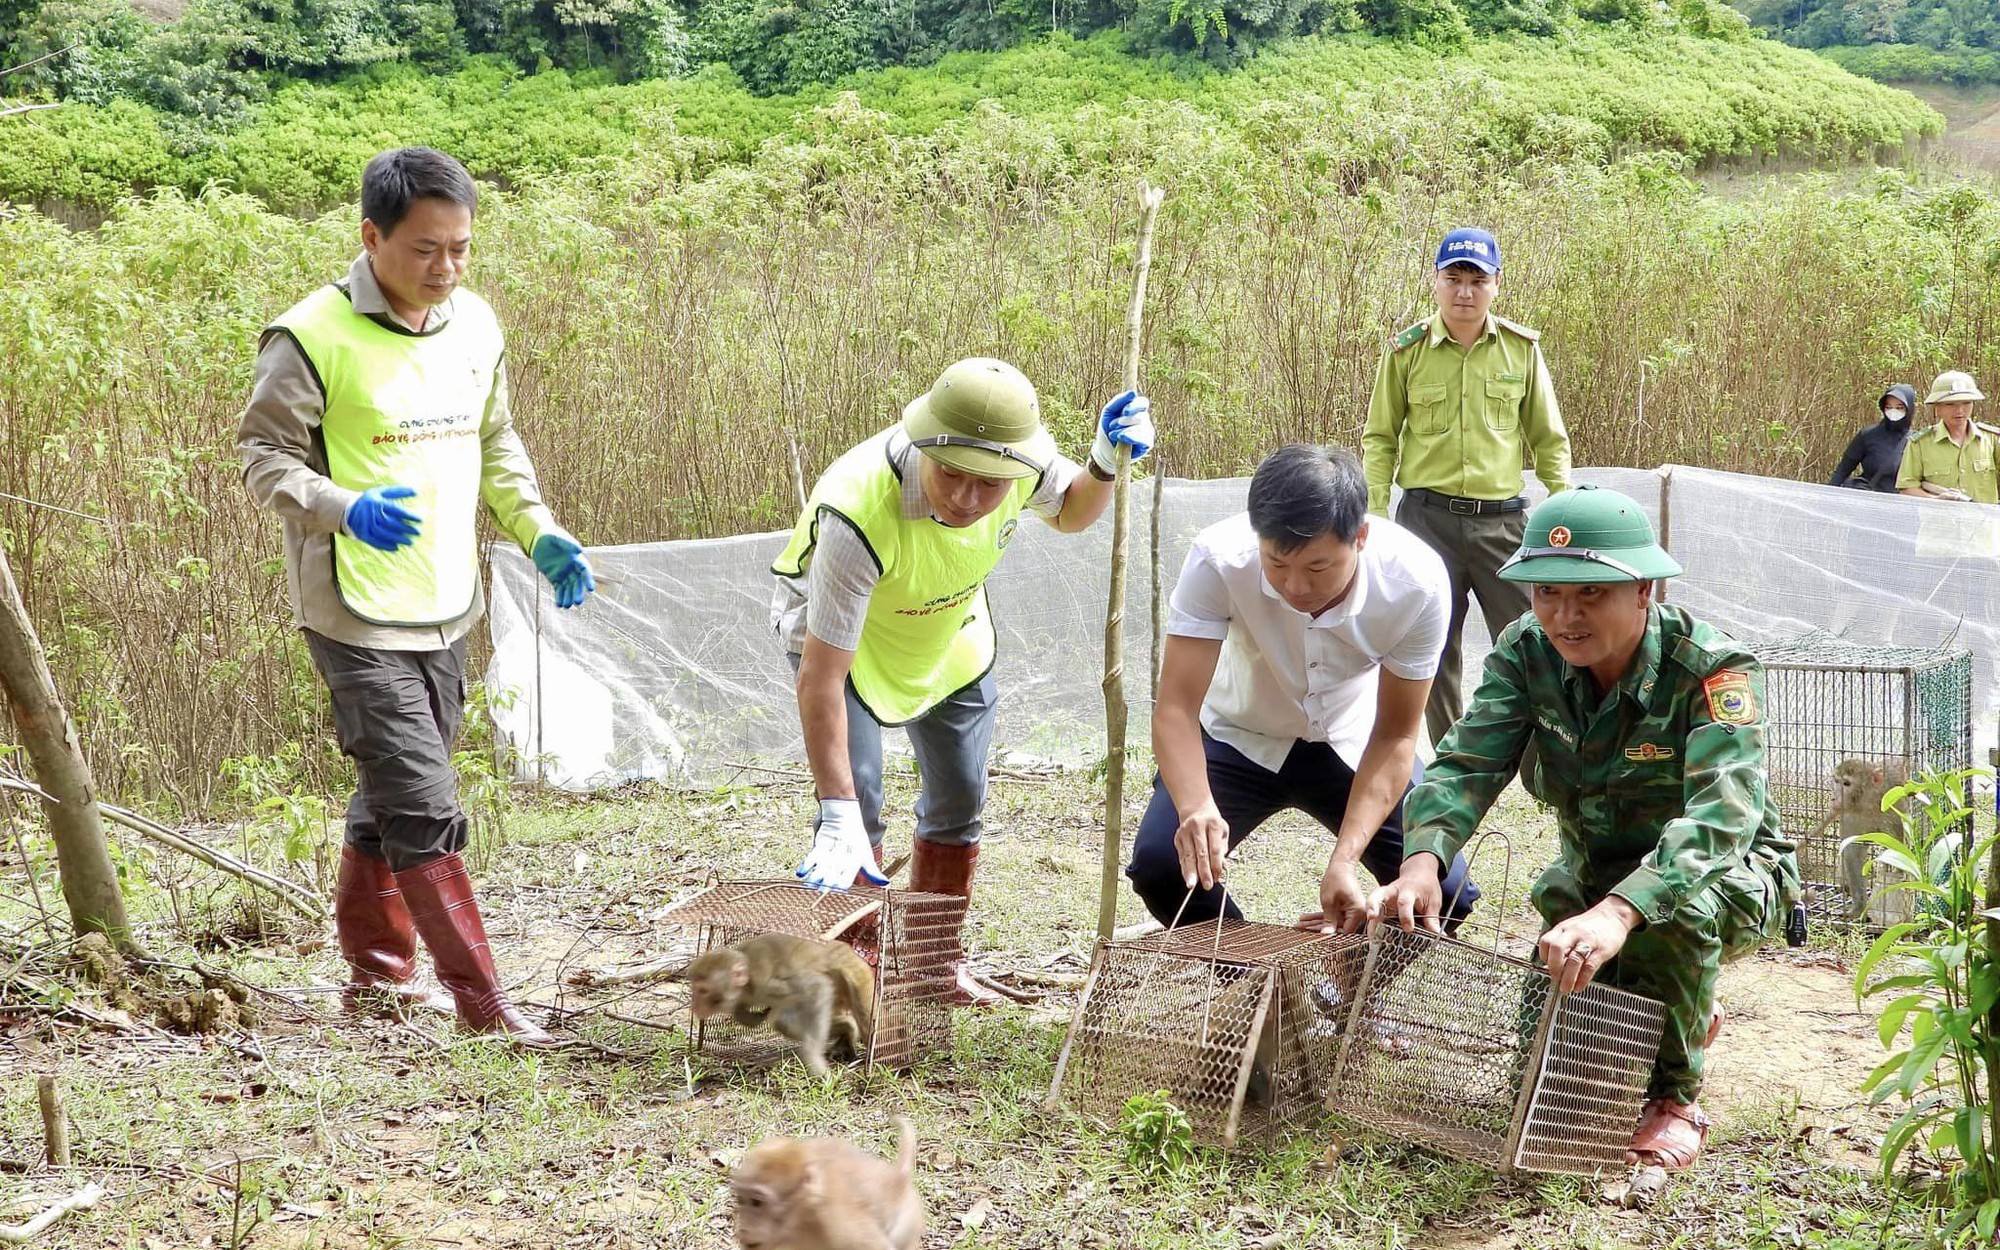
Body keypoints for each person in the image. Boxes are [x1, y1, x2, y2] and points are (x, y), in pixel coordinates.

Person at [238, 147, 597, 1046]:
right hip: (356, 610)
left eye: (461, 249)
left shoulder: (474, 326)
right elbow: (263, 459)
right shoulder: (309, 336)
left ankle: (380, 982)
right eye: (425, 250)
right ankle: (484, 1007)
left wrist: (539, 529)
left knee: (390, 795)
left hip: (446, 599)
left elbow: (497, 441)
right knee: (427, 801)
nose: (445, 269)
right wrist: (343, 506)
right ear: (372, 237)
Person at [1369, 486, 1799, 1171]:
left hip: (1728, 875)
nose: (1564, 616)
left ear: (1644, 590)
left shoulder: (1712, 669)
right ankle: (1665, 1010)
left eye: (1590, 595)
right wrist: (1423, 859)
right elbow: (1466, 762)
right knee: (1553, 1071)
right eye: (1545, 593)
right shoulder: (1527, 651)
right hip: (1593, 872)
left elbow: (1722, 819)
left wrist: (1622, 912)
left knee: (1673, 918)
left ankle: (1673, 1098)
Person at [771, 357, 1153, 1004]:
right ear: (925, 445)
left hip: (948, 633)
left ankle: (930, 968)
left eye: (991, 485)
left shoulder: (1019, 463)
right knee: (857, 802)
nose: (968, 499)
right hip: (849, 650)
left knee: (962, 794)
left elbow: (1072, 513)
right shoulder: (857, 510)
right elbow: (821, 677)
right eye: (952, 474)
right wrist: (836, 810)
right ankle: (856, 983)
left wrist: (1104, 460)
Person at [1125, 445, 1479, 932]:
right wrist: (1196, 807)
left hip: (1351, 742)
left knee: (1443, 889)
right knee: (1163, 866)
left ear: (1360, 537)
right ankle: (1258, 984)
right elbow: (1175, 710)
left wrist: (1344, 860)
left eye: (1317, 568)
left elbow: (1396, 735)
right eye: (1276, 564)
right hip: (1238, 736)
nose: (1295, 587)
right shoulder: (1218, 558)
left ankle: (1348, 989)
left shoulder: (1415, 583)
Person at [1361, 227, 1572, 748]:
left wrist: (1563, 507)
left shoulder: (1521, 351)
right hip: (1425, 522)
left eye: (1477, 281)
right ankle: (1454, 761)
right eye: (1453, 279)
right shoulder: (1406, 351)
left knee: (1534, 642)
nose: (1464, 292)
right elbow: (1380, 437)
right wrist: (1374, 514)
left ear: (1497, 284)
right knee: (1429, 647)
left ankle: (1540, 756)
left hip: (1501, 522)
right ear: (1435, 281)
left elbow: (1549, 439)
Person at [1897, 371, 1998, 504]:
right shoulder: (1920, 444)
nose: (1959, 410)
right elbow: (1906, 488)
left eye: (1966, 403)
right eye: (1950, 404)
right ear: (1937, 407)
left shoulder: (1991, 439)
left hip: (1982, 523)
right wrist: (1937, 500)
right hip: (1939, 522)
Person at [1828, 384, 1915, 491]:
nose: (1893, 411)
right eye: (1888, 407)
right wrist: (1826, 496)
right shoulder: (1868, 435)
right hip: (1867, 501)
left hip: (1900, 504)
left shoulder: (1917, 441)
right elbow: (1842, 470)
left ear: (1909, 409)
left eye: (1899, 408)